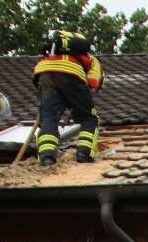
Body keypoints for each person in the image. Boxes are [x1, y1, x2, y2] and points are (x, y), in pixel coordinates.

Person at [32, 30, 104, 166]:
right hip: (71, 73)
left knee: (48, 118)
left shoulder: (55, 52)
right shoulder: (94, 61)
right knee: (89, 117)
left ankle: (47, 157)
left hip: (44, 73)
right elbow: (92, 85)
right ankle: (84, 153)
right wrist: (82, 103)